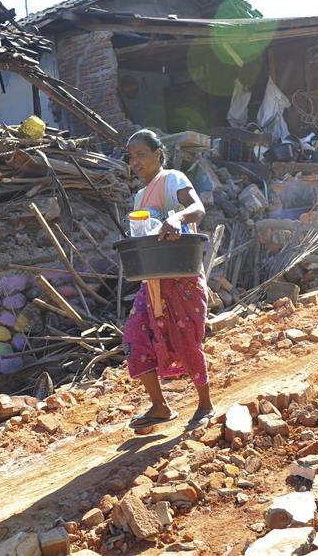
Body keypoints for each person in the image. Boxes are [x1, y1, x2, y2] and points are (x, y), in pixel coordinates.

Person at [122, 129, 215, 429]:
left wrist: (176, 218)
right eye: (131, 156)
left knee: (186, 337)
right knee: (136, 337)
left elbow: (197, 208)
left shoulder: (172, 178)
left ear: (158, 154)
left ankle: (205, 404)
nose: (135, 161)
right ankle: (159, 407)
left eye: (141, 154)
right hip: (152, 280)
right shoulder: (139, 196)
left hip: (181, 275)